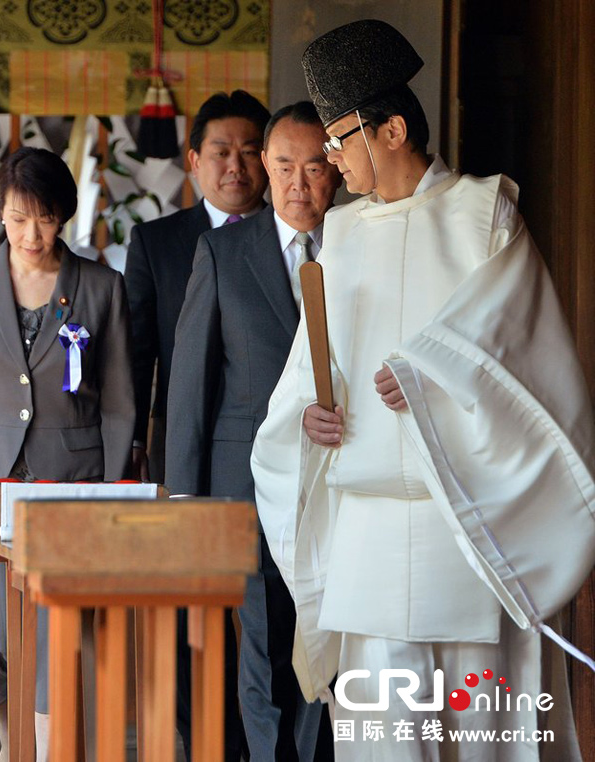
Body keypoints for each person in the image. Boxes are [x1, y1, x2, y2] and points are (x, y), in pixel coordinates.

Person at [251, 19, 591, 761]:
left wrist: (432, 374)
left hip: (464, 536)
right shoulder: (338, 236)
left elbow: (526, 359)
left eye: (340, 140)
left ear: (393, 129)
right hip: (365, 540)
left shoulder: (484, 217)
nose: (330, 161)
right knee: (382, 741)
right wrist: (310, 417)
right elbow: (308, 381)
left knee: (478, 737)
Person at [0, 146, 135, 762]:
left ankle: (42, 753)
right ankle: (11, 741)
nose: (30, 233)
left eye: (44, 218)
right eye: (17, 218)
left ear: (64, 215)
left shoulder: (101, 287)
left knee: (52, 630)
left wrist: (113, 492)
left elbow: (120, 401)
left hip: (72, 481)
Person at [167, 102, 340, 761]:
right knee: (264, 638)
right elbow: (191, 380)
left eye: (316, 166)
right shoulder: (223, 250)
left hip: (339, 478)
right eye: (285, 166)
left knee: (326, 635)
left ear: (337, 171)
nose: (300, 183)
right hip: (247, 487)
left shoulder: (360, 244)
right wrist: (185, 497)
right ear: (265, 169)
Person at [124, 89, 269, 761]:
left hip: (269, 459)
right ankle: (209, 745)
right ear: (193, 160)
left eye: (249, 151)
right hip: (181, 458)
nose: (235, 165)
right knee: (190, 618)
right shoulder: (158, 242)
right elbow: (135, 356)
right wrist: (133, 454)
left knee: (271, 614)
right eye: (221, 151)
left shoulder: (298, 235)